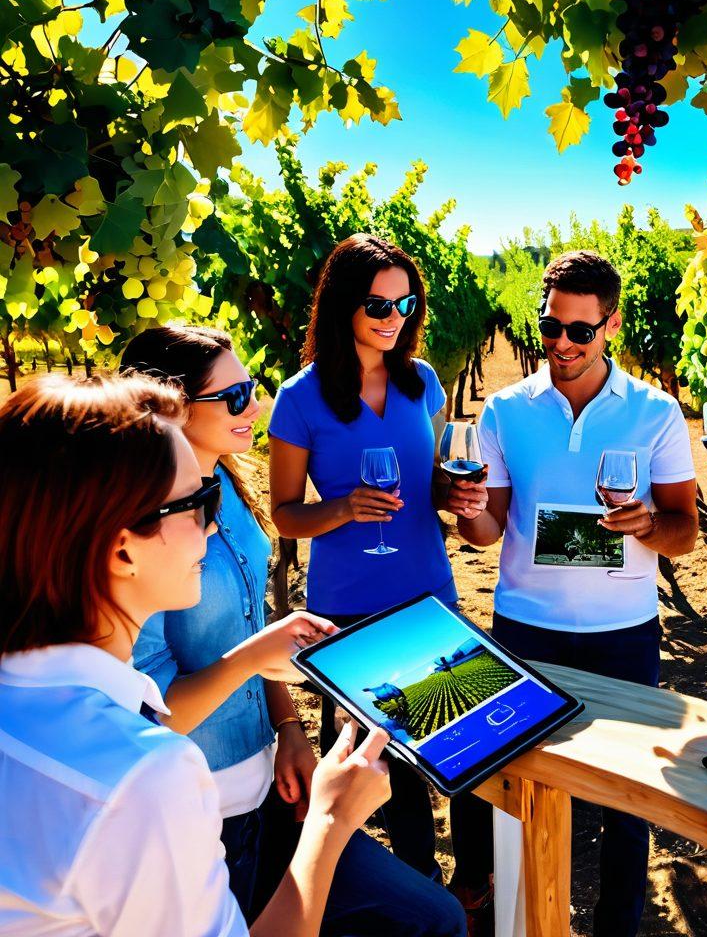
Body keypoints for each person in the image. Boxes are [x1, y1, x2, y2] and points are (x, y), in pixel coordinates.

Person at [0, 372, 392, 935]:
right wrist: (332, 820)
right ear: (120, 549)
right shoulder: (142, 777)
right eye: (197, 504)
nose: (212, 529)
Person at [121, 325, 466, 936]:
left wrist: (289, 730)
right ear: (168, 405)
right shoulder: (135, 534)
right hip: (207, 807)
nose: (254, 407)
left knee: (431, 918)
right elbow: (150, 716)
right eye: (232, 398)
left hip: (270, 784)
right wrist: (256, 658)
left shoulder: (226, 485)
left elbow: (253, 623)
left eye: (249, 389)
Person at [449, 251, 701, 937]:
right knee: (519, 787)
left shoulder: (655, 412)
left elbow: (686, 531)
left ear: (612, 325)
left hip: (625, 633)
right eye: (550, 327)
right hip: (525, 628)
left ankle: (616, 926)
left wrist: (649, 524)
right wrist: (467, 507)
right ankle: (517, 915)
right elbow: (487, 531)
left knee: (627, 798)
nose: (560, 343)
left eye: (579, 331)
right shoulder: (506, 410)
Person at [269, 233, 466, 889]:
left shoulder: (423, 382)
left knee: (442, 753)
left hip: (428, 591)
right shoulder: (299, 398)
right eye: (378, 306)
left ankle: (448, 893)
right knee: (368, 764)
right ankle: (370, 896)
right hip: (348, 604)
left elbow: (428, 482)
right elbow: (285, 514)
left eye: (404, 304)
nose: (393, 319)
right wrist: (344, 509)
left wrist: (453, 491)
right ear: (343, 306)